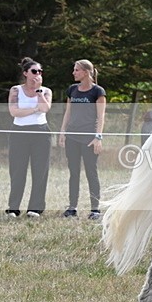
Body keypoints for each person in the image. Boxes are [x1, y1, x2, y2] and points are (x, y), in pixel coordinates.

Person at [58, 59, 106, 219]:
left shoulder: (98, 92)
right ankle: (72, 207)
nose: (74, 72)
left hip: (89, 139)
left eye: (76, 70)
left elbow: (101, 117)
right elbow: (68, 112)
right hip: (72, 137)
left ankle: (95, 209)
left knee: (91, 173)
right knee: (74, 173)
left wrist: (98, 137)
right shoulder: (72, 89)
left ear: (85, 72)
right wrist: (63, 131)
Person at [6, 57, 52, 218]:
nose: (37, 74)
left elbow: (45, 108)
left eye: (40, 71)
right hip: (19, 132)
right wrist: (34, 110)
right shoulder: (16, 90)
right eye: (34, 71)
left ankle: (36, 207)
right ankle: (13, 207)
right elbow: (14, 112)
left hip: (40, 133)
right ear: (25, 73)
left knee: (40, 170)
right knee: (17, 170)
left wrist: (38, 91)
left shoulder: (45, 91)